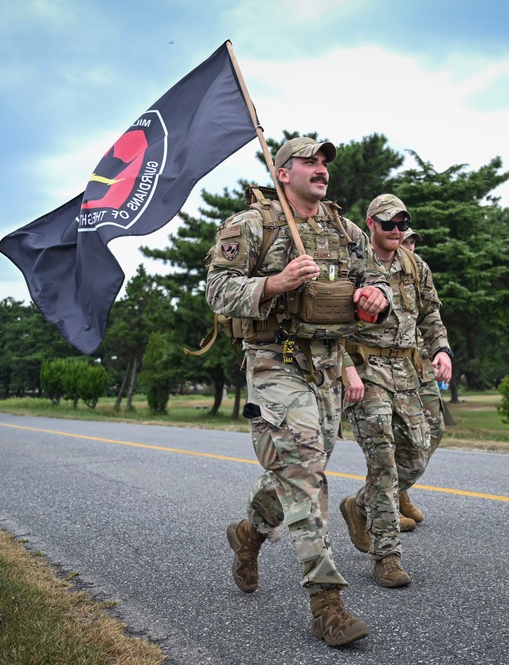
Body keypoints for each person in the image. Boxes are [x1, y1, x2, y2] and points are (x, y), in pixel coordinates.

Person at [205, 136, 390, 647]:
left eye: (325, 161)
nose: (321, 167)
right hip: (273, 365)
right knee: (306, 473)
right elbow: (217, 289)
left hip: (327, 368)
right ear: (282, 171)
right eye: (309, 160)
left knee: (295, 473)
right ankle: (327, 605)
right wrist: (275, 283)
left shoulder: (343, 229)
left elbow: (376, 281)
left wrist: (377, 297)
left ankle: (247, 534)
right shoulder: (252, 225)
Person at [339, 194, 452, 588]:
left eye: (402, 224)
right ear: (371, 224)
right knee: (383, 458)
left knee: (421, 450)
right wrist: (345, 368)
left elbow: (430, 314)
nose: (397, 231)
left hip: (409, 367)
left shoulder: (415, 264)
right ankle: (386, 555)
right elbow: (328, 324)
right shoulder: (352, 265)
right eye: (388, 223)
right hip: (366, 369)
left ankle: (360, 505)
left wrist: (441, 350)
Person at [397, 228, 448, 525]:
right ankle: (385, 503)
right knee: (392, 436)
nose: (410, 245)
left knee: (434, 427)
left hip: (421, 362)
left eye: (413, 241)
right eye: (406, 241)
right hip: (387, 366)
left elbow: (432, 315)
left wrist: (442, 351)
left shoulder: (419, 271)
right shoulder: (371, 266)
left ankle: (400, 489)